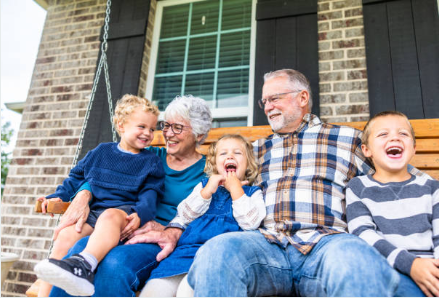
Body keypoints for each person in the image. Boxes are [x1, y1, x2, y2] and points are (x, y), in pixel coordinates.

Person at [143, 69, 424, 296]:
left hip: (327, 243)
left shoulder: (347, 139)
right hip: (266, 244)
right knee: (217, 252)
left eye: (275, 98)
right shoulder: (252, 149)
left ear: (302, 98)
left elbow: (402, 177)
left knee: (354, 259)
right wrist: (175, 227)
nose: (268, 106)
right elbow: (207, 192)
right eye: (264, 101)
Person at [48, 95, 212, 297]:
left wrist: (170, 229)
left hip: (162, 240)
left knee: (114, 265)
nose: (167, 133)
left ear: (199, 134)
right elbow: (106, 173)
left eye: (177, 127)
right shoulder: (148, 156)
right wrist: (84, 193)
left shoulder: (208, 172)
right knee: (79, 247)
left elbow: (212, 220)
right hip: (124, 227)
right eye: (165, 125)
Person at [33, 95, 165, 296]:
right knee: (65, 236)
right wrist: (58, 196)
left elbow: (151, 193)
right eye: (141, 127)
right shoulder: (101, 152)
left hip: (122, 215)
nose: (148, 133)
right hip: (93, 214)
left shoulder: (151, 162)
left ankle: (84, 266)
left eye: (152, 129)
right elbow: (76, 177)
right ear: (121, 126)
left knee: (110, 215)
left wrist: (140, 214)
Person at [137, 134, 266, 297]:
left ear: (248, 164)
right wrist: (206, 192)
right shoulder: (204, 187)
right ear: (215, 164)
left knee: (187, 290)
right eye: (223, 153)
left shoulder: (252, 194)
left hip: (215, 260)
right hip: (182, 255)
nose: (230, 156)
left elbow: (251, 223)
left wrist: (236, 190)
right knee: (154, 290)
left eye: (237, 153)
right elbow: (184, 215)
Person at [346, 111, 439, 297]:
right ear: (367, 150)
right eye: (383, 134)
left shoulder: (432, 188)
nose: (394, 138)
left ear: (414, 148)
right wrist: (410, 264)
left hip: (431, 271)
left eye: (403, 134)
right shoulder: (358, 187)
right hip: (388, 269)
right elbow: (362, 233)